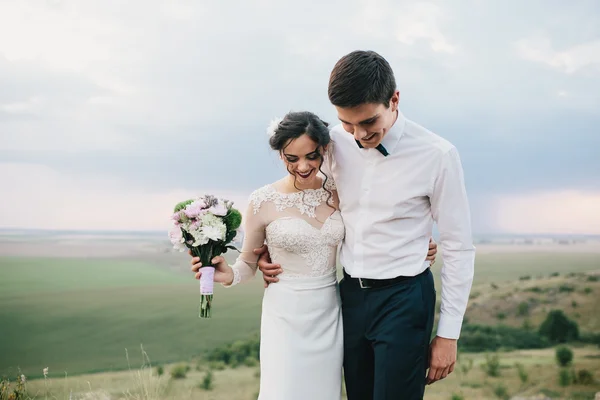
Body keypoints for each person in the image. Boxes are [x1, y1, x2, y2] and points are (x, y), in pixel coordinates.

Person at [256, 50, 476, 400]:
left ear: (394, 100)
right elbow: (302, 189)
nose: (358, 135)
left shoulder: (438, 155)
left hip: (404, 298)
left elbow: (459, 246)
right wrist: (273, 248)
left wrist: (449, 335)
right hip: (349, 297)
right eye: (347, 123)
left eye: (369, 122)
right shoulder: (331, 141)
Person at [189, 111, 438, 400]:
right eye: (291, 158)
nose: (303, 166)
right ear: (280, 155)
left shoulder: (339, 191)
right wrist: (228, 274)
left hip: (329, 312)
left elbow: (374, 227)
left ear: (324, 149)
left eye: (312, 156)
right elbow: (247, 263)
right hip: (285, 316)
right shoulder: (262, 201)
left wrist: (419, 244)